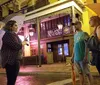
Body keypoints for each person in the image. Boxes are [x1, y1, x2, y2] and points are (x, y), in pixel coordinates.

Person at [1, 20, 27, 85]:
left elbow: (16, 45)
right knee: (11, 80)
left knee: (12, 80)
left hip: (15, 60)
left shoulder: (13, 34)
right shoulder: (8, 35)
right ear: (10, 27)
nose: (17, 27)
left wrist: (22, 43)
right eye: (15, 25)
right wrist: (22, 44)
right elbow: (15, 46)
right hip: (11, 61)